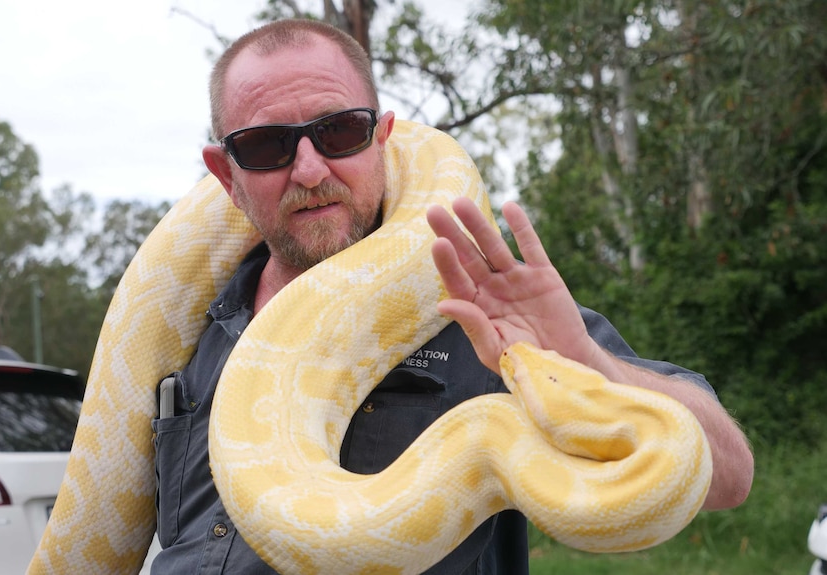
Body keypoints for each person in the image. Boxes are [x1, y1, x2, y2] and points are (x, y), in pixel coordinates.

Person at [149, 18, 754, 575]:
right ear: (226, 175)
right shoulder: (184, 327)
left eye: (339, 131)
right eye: (264, 146)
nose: (309, 170)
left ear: (383, 138)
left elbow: (727, 475)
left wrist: (584, 360)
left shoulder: (491, 323)